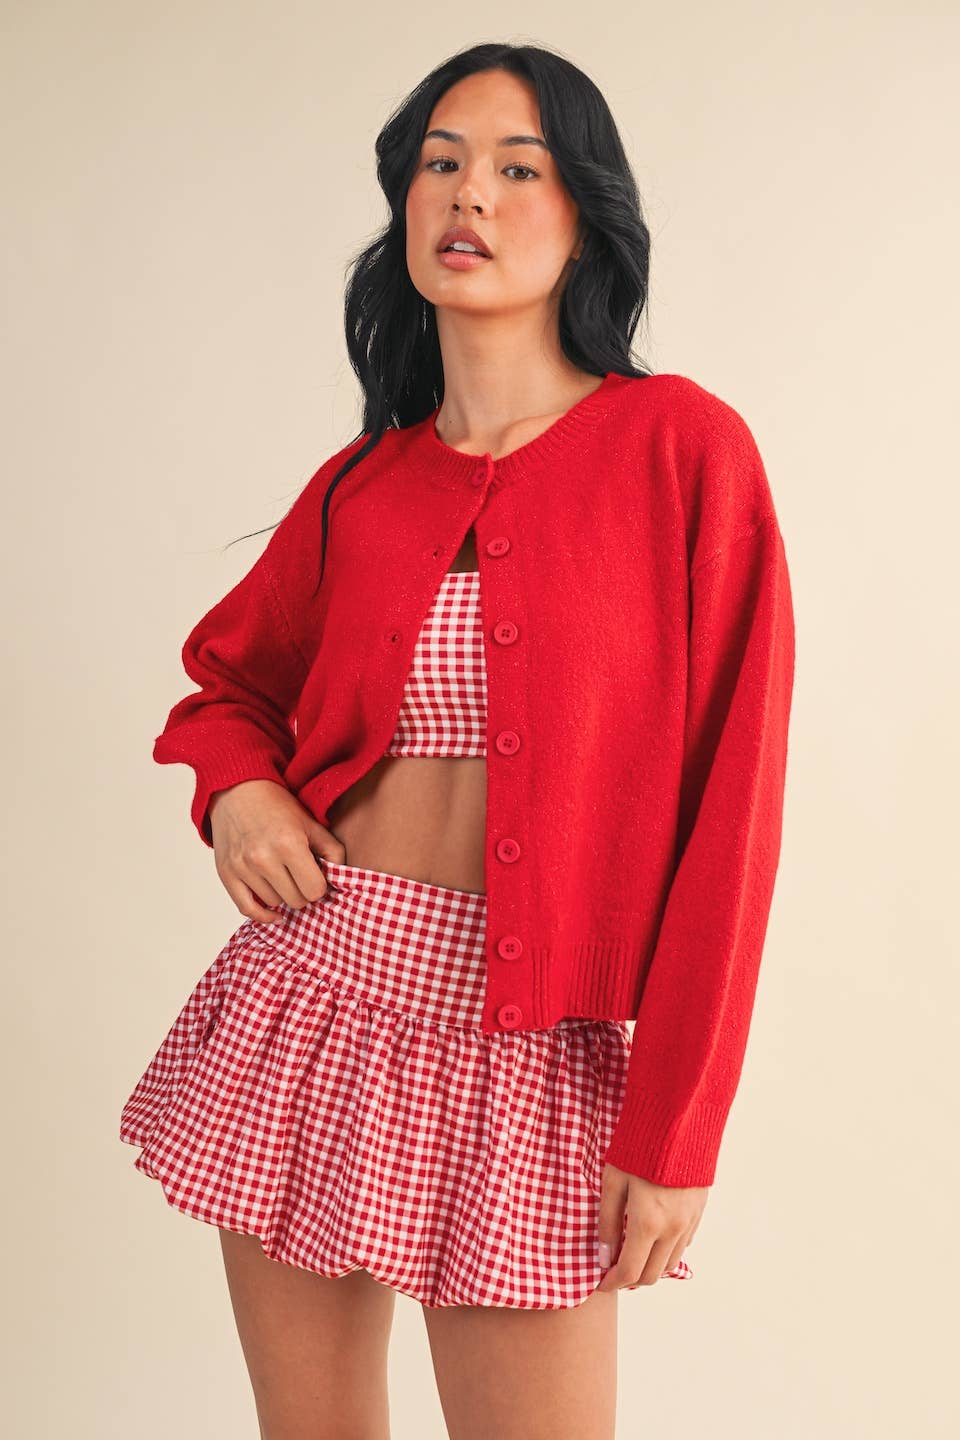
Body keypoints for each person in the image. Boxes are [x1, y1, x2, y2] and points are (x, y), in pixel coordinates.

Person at [119, 42, 795, 1440]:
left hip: (527, 1052)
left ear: (586, 217)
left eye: (517, 167)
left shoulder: (681, 448)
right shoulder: (366, 484)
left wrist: (676, 1127)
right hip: (312, 999)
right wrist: (240, 795)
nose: (469, 193)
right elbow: (224, 690)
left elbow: (737, 807)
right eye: (441, 161)